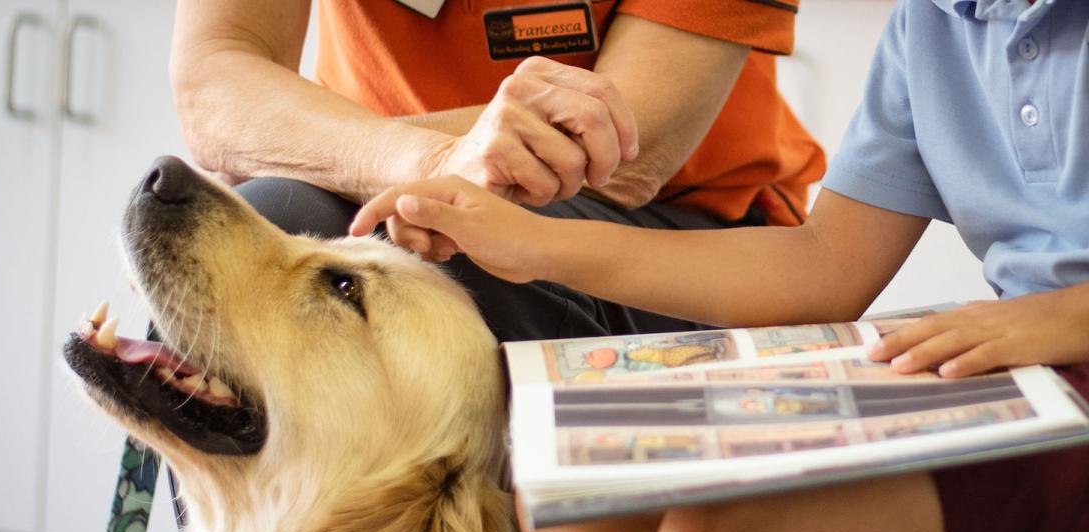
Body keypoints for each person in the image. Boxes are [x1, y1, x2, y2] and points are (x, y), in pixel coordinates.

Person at [350, 0, 1089, 532]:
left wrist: (1069, 314)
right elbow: (825, 267)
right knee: (580, 514)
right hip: (1016, 369)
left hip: (1045, 366)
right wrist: (540, 244)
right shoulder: (933, 22)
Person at [168, 0, 824, 342]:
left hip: (676, 229)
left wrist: (329, 146)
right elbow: (214, 89)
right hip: (368, 190)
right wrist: (428, 162)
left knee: (431, 260)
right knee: (243, 249)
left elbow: (628, 144)